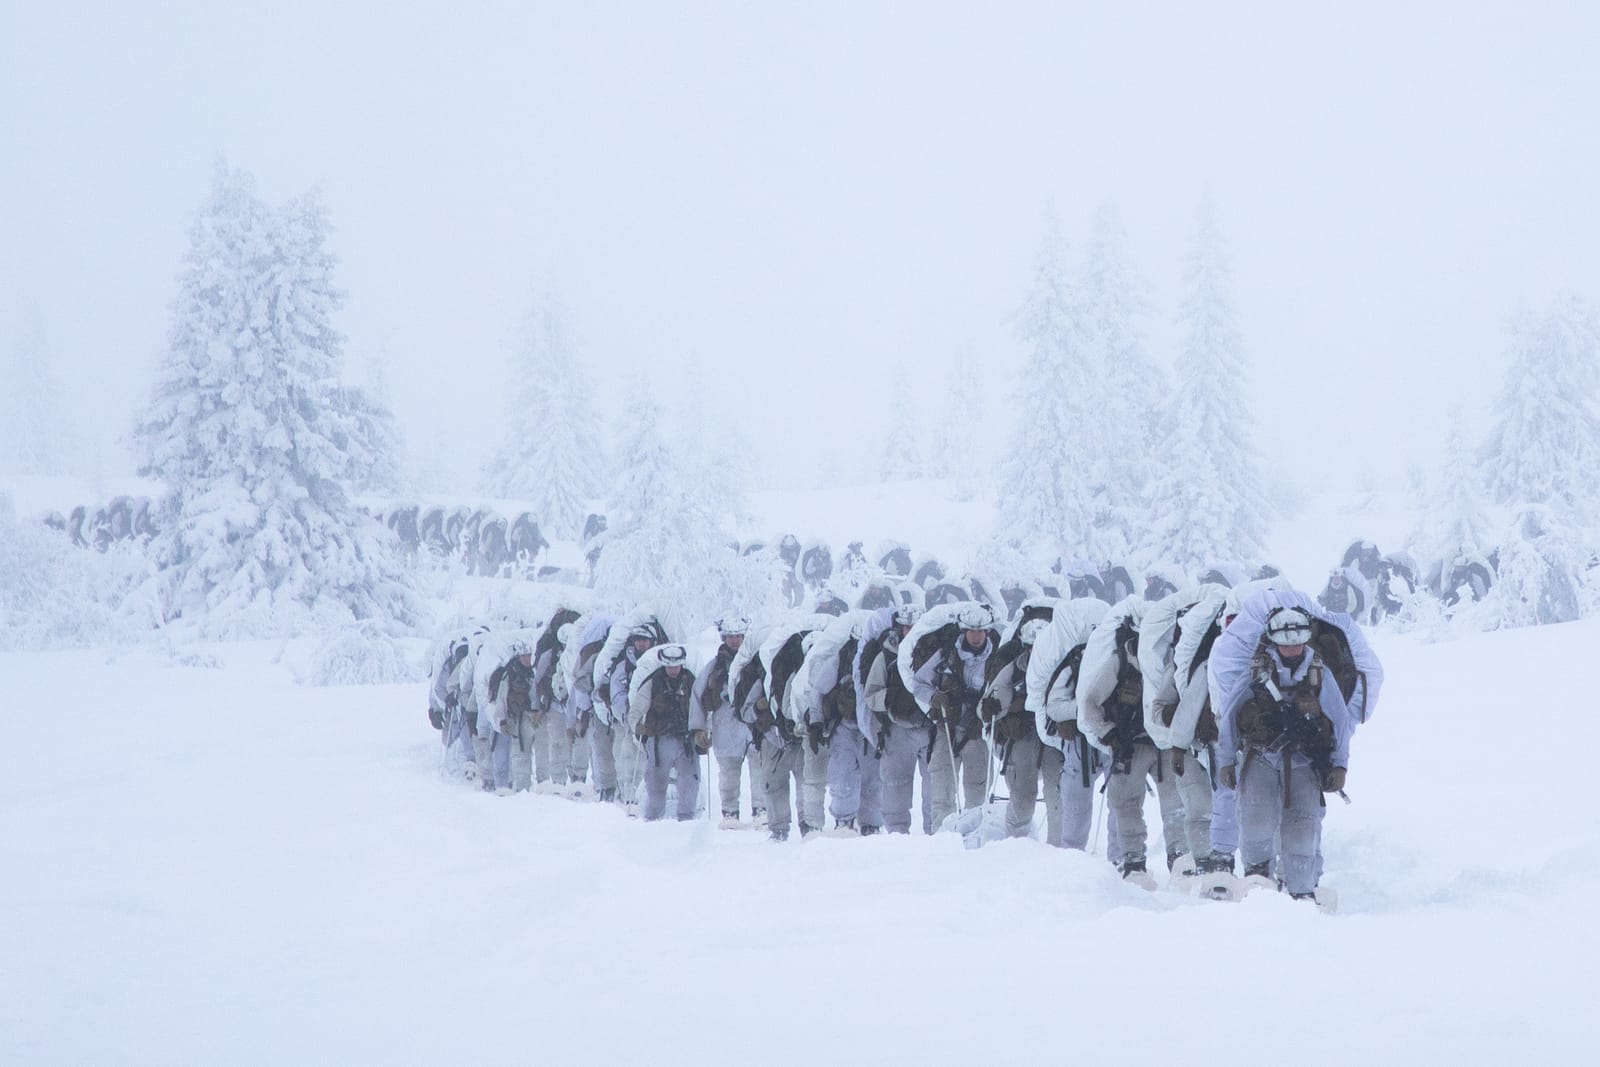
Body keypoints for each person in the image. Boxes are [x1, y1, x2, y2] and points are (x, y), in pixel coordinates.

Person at [1216, 607, 1354, 899]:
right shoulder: (1255, 671)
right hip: (1261, 758)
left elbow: (1339, 721)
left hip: (1305, 762)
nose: (1292, 644)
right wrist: (1226, 761)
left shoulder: (1320, 674)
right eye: (1285, 638)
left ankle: (1302, 894)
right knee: (1255, 824)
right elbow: (1230, 715)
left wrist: (1339, 766)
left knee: (1303, 830)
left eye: (1299, 637)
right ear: (1272, 639)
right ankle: (1256, 887)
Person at [1077, 600, 1170, 882]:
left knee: (1177, 802)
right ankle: (1133, 862)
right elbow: (1089, 704)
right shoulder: (1118, 662)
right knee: (1126, 803)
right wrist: (1109, 733)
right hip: (1130, 746)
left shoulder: (1170, 660)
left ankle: (1181, 859)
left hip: (1164, 743)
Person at [1030, 599, 1111, 852]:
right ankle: (1071, 858)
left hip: (1112, 740)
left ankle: (1122, 860)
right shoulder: (1072, 665)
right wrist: (1088, 710)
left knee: (1121, 803)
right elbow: (1054, 706)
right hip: (1079, 746)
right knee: (1076, 807)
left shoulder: (1114, 661)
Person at [908, 603, 998, 826]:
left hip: (978, 732)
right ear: (963, 631)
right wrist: (933, 697)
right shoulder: (945, 655)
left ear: (987, 632)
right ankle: (942, 837)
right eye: (971, 631)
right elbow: (919, 683)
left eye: (980, 631)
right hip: (946, 728)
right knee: (942, 789)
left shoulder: (997, 657)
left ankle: (975, 834)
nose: (976, 636)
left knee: (977, 790)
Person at [979, 619, 1060, 842]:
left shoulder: (1063, 667)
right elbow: (988, 703)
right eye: (1033, 646)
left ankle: (1060, 851)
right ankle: (1016, 843)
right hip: (1022, 735)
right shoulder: (1012, 670)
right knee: (1023, 795)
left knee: (1057, 793)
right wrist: (991, 707)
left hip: (1054, 736)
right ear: (1025, 646)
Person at [863, 605, 936, 834]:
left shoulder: (935, 654)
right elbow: (870, 694)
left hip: (929, 729)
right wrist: (890, 699)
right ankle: (896, 833)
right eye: (906, 627)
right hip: (896, 730)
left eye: (915, 627)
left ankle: (934, 832)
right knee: (894, 784)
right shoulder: (885, 656)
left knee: (934, 784)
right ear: (899, 628)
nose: (910, 631)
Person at [694, 616, 766, 827]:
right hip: (724, 723)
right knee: (728, 772)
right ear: (723, 638)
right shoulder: (714, 667)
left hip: (753, 723)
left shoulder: (756, 662)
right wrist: (699, 728)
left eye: (738, 636)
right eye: (731, 637)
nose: (735, 641)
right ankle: (729, 812)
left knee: (759, 768)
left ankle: (761, 810)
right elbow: (698, 696)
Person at [629, 644, 702, 822]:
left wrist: (703, 730)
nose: (673, 669)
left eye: (676, 665)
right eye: (670, 665)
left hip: (686, 740)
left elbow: (701, 706)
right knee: (655, 783)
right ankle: (653, 819)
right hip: (658, 741)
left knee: (690, 780)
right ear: (663, 664)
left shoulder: (691, 681)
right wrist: (637, 726)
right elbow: (637, 709)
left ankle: (687, 818)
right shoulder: (652, 682)